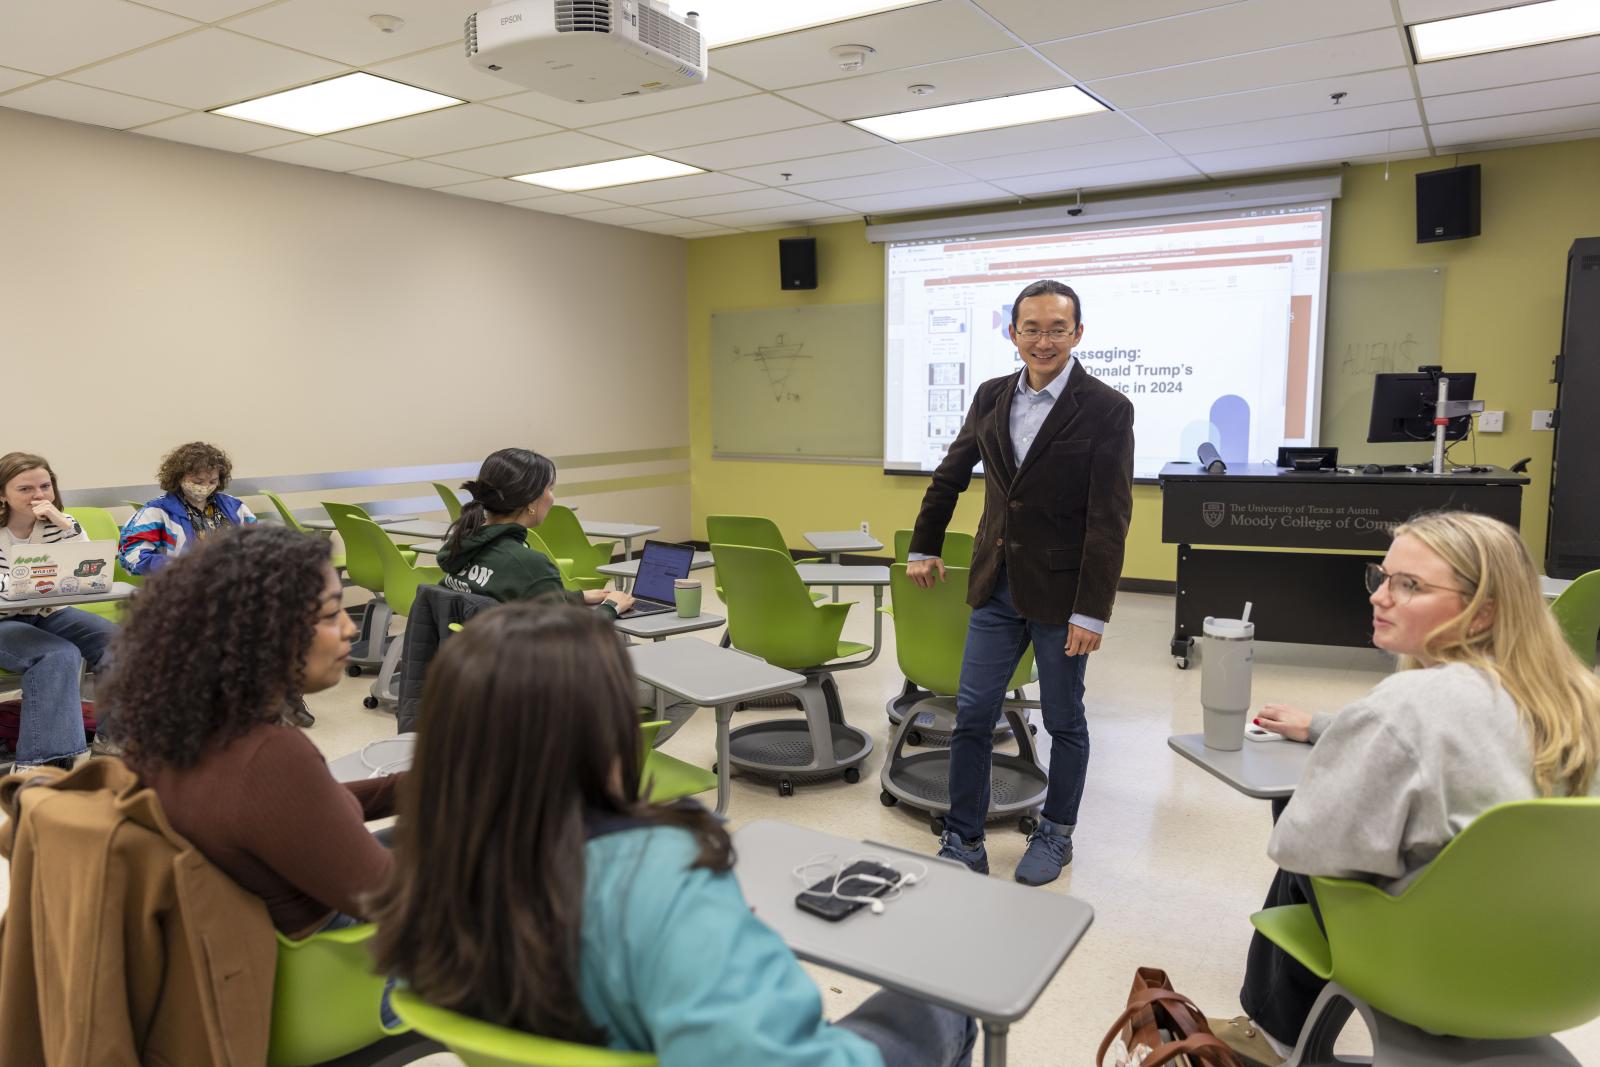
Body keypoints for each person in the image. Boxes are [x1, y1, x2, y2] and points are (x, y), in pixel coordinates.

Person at [368, 602, 975, 1067]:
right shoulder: (658, 876)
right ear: (603, 726)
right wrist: (708, 928)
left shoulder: (432, 859)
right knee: (945, 989)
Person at [1224, 512, 1600, 1063]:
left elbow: (1300, 849)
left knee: (1305, 814)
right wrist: (1328, 727)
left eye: (1410, 586)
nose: (1381, 597)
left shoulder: (1403, 708)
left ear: (1484, 611)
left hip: (1430, 966)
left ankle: (1273, 1036)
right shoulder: (1580, 700)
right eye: (1382, 577)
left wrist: (1327, 777)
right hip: (1565, 970)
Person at [906, 279, 1134, 885]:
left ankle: (1056, 835)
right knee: (974, 714)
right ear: (1013, 334)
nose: (1044, 340)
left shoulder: (1108, 408)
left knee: (1064, 719)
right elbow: (949, 476)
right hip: (996, 586)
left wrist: (1093, 611)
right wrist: (924, 543)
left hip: (1063, 596)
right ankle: (963, 838)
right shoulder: (990, 396)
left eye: (1057, 328)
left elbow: (1109, 518)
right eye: (1031, 328)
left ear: (1078, 334)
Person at [103, 524, 399, 937]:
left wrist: (417, 786)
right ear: (264, 630)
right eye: (332, 613)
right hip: (335, 951)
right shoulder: (271, 755)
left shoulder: (178, 730)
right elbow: (390, 898)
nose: (350, 629)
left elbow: (294, 811)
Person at [0, 452, 118, 770]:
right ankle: (47, 764)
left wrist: (65, 524)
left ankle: (115, 744)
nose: (39, 495)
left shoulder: (58, 524)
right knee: (56, 654)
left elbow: (89, 568)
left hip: (47, 610)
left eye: (45, 486)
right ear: (2, 494)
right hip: (3, 620)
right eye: (25, 489)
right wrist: (20, 584)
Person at [437, 447, 633, 616]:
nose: (552, 498)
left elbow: (502, 590)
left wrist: (572, 597)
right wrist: (610, 608)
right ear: (531, 501)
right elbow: (570, 641)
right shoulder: (529, 565)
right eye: (550, 488)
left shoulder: (462, 545)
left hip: (471, 655)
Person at [119, 440, 258, 577]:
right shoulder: (157, 512)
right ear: (179, 478)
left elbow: (259, 546)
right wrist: (177, 567)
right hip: (181, 590)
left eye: (212, 481)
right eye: (198, 481)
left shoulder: (235, 508)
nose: (205, 486)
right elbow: (131, 554)